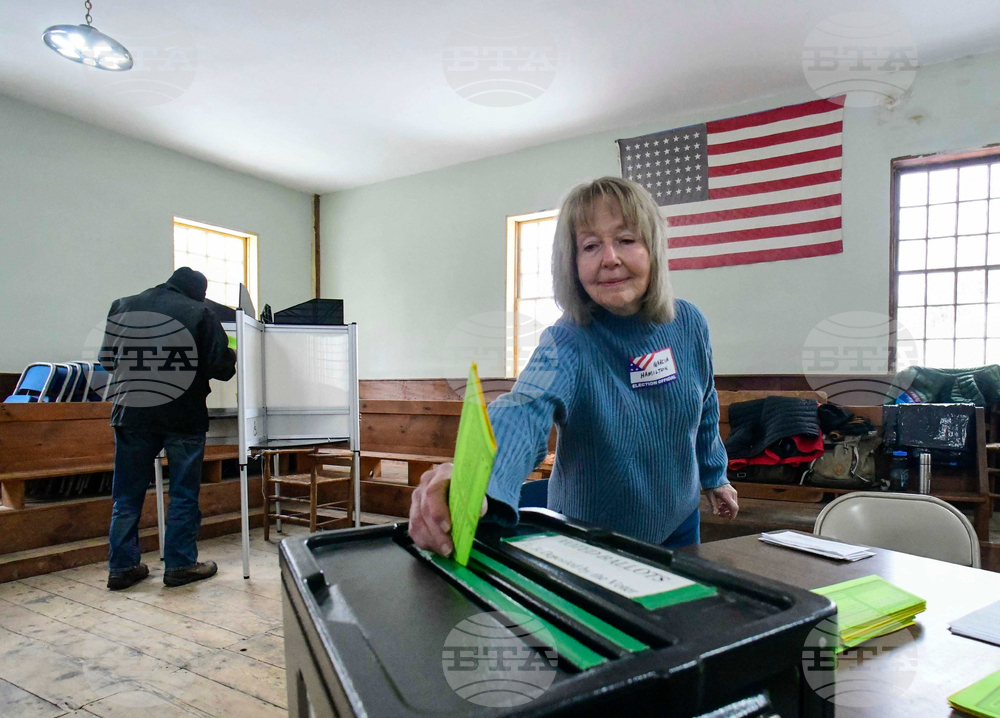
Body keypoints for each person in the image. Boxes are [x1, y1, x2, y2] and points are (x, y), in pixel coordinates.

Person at [409, 177, 738, 556]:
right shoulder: (567, 341)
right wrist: (475, 477)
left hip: (680, 524)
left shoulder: (690, 323)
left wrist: (715, 475)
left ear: (653, 249)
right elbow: (524, 409)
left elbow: (705, 402)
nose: (609, 258)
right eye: (590, 246)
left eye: (626, 239)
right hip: (590, 540)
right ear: (573, 262)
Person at [101, 267, 236, 590]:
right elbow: (221, 368)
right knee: (183, 495)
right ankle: (180, 565)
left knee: (126, 496)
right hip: (182, 416)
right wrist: (230, 351)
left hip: (131, 414)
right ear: (199, 291)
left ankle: (122, 568)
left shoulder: (123, 305)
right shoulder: (200, 312)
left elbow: (107, 360)